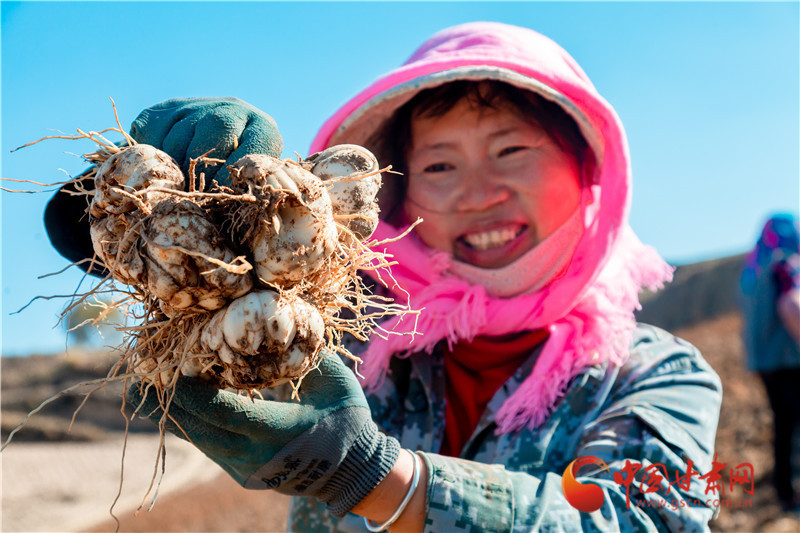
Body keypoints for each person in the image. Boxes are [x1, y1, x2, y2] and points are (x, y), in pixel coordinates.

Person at [44, 22, 722, 532]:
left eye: (512, 150)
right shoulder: (349, 326)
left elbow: (643, 520)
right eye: (439, 166)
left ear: (584, 171)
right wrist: (164, 193)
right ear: (401, 195)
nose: (478, 194)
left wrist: (380, 479)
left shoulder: (658, 375)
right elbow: (203, 300)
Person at [740, 214, 800, 513]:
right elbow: (791, 305)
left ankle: (784, 492)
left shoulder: (753, 270)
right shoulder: (784, 264)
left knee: (783, 425)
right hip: (789, 359)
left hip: (763, 362)